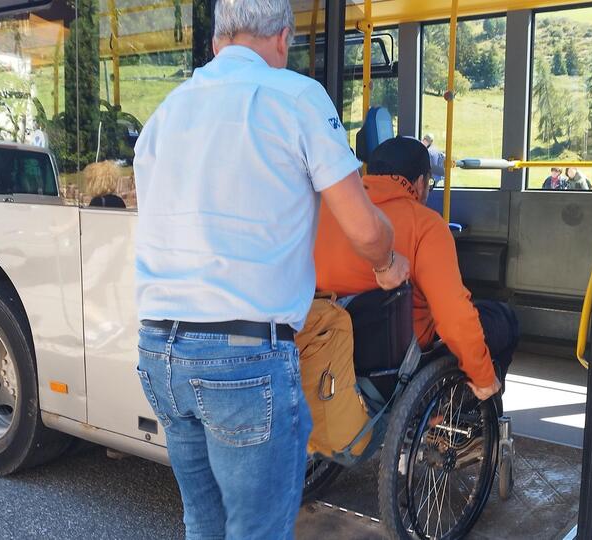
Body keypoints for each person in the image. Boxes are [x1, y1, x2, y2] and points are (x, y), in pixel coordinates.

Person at [132, 1, 410, 538]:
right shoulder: (296, 98)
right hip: (242, 357)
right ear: (283, 39)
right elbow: (364, 228)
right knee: (257, 530)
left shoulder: (165, 113)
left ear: (216, 43)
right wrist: (387, 262)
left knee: (204, 522)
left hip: (159, 352)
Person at [315, 136, 519, 401]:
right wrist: (483, 376)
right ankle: (458, 407)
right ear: (421, 183)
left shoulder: (324, 213)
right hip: (398, 365)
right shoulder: (426, 224)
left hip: (326, 352)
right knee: (502, 319)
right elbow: (453, 316)